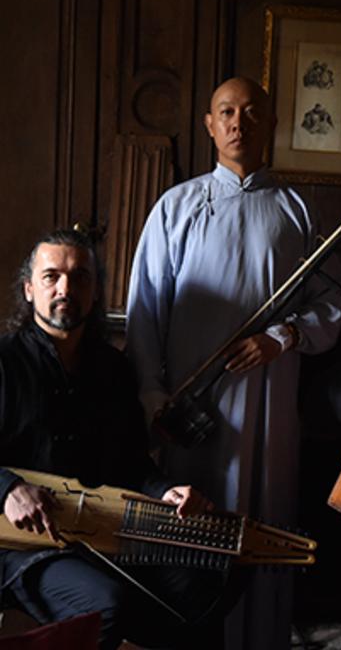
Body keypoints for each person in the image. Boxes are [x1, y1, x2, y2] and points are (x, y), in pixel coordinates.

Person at [126, 77, 341, 649]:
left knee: (261, 523)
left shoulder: (297, 209)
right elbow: (145, 310)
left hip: (269, 407)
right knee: (190, 525)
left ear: (270, 123)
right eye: (226, 112)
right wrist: (152, 393)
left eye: (250, 113)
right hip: (190, 410)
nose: (237, 123)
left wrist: (282, 337)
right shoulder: (176, 206)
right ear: (209, 124)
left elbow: (330, 303)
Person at [0, 228, 226, 650]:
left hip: (100, 530)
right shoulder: (4, 362)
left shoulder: (113, 369)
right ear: (29, 289)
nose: (65, 288)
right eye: (51, 277)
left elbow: (132, 464)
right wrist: (8, 488)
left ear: (95, 292)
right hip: (23, 544)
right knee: (104, 604)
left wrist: (165, 491)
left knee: (207, 575)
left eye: (80, 277)